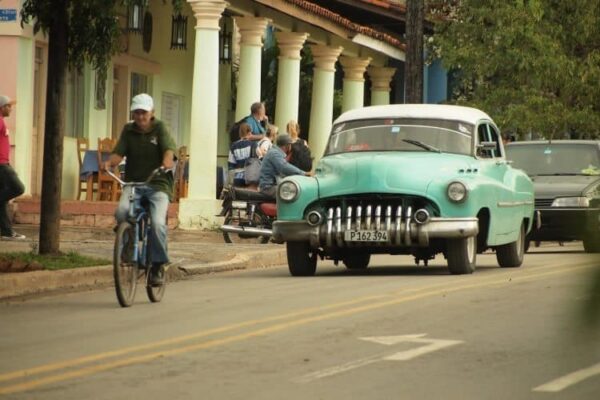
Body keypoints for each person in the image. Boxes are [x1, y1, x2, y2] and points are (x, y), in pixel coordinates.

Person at [104, 93, 176, 286]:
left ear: (152, 113)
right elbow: (119, 153)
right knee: (122, 212)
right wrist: (110, 163)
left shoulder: (160, 128)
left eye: (143, 112)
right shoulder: (128, 130)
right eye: (136, 112)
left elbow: (169, 149)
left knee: (158, 224)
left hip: (158, 183)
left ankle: (158, 266)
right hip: (134, 183)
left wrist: (167, 161)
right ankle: (127, 246)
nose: (140, 117)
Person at [0, 95, 26, 240]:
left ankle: (7, 232)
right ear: (2, 107)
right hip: (1, 165)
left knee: (2, 200)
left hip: (4, 163)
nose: (11, 109)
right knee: (18, 188)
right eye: (9, 106)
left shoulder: (2, 121)